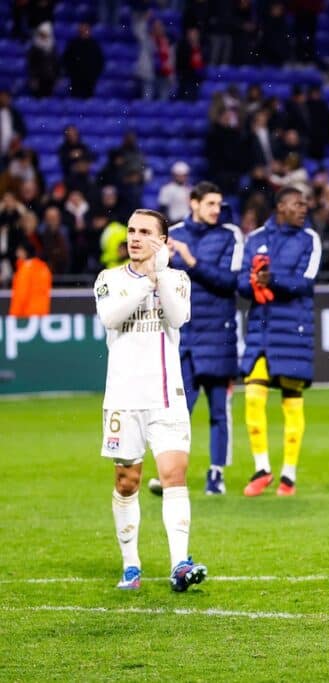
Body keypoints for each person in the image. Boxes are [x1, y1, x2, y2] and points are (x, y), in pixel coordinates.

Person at [93, 208, 207, 592]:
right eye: (131, 230)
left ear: (162, 240)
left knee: (175, 476)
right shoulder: (109, 279)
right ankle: (131, 565)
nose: (135, 238)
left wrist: (159, 277)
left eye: (145, 232)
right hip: (124, 397)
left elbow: (176, 318)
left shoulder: (177, 280)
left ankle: (180, 564)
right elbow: (111, 317)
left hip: (167, 397)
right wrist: (145, 281)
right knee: (128, 482)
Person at [147, 182, 243, 496]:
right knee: (178, 412)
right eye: (211, 203)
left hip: (219, 335)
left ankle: (216, 474)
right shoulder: (172, 234)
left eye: (219, 203)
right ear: (194, 203)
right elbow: (154, 277)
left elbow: (231, 282)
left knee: (219, 410)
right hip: (183, 336)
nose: (217, 209)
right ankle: (170, 475)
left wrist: (191, 262)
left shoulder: (230, 235)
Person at [238, 187, 321, 497]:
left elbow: (306, 282)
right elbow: (240, 283)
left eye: (306, 204)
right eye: (298, 203)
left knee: (290, 403)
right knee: (253, 397)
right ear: (281, 206)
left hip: (293, 331)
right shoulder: (256, 237)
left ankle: (288, 475)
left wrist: (273, 280)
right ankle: (262, 468)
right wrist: (252, 283)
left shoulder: (310, 239)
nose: (304, 208)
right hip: (261, 328)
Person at [9, 243, 52, 317]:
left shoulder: (25, 270)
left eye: (19, 251)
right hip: (43, 311)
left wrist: (14, 314)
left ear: (25, 252)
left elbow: (21, 294)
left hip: (26, 313)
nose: (17, 254)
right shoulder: (44, 268)